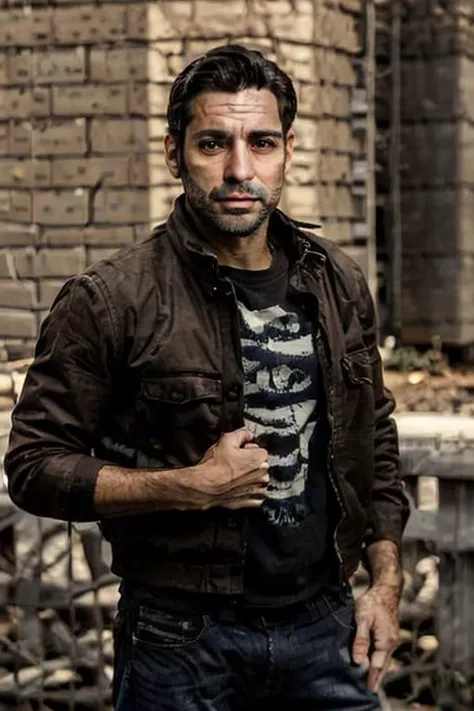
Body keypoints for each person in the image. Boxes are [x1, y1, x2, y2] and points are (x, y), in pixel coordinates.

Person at [5, 45, 409, 710]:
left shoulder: (336, 280)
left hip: (324, 626)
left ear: (288, 150)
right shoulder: (110, 299)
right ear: (174, 154)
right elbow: (33, 464)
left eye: (262, 142)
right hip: (181, 639)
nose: (239, 169)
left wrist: (386, 581)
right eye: (214, 143)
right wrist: (187, 486)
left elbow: (378, 443)